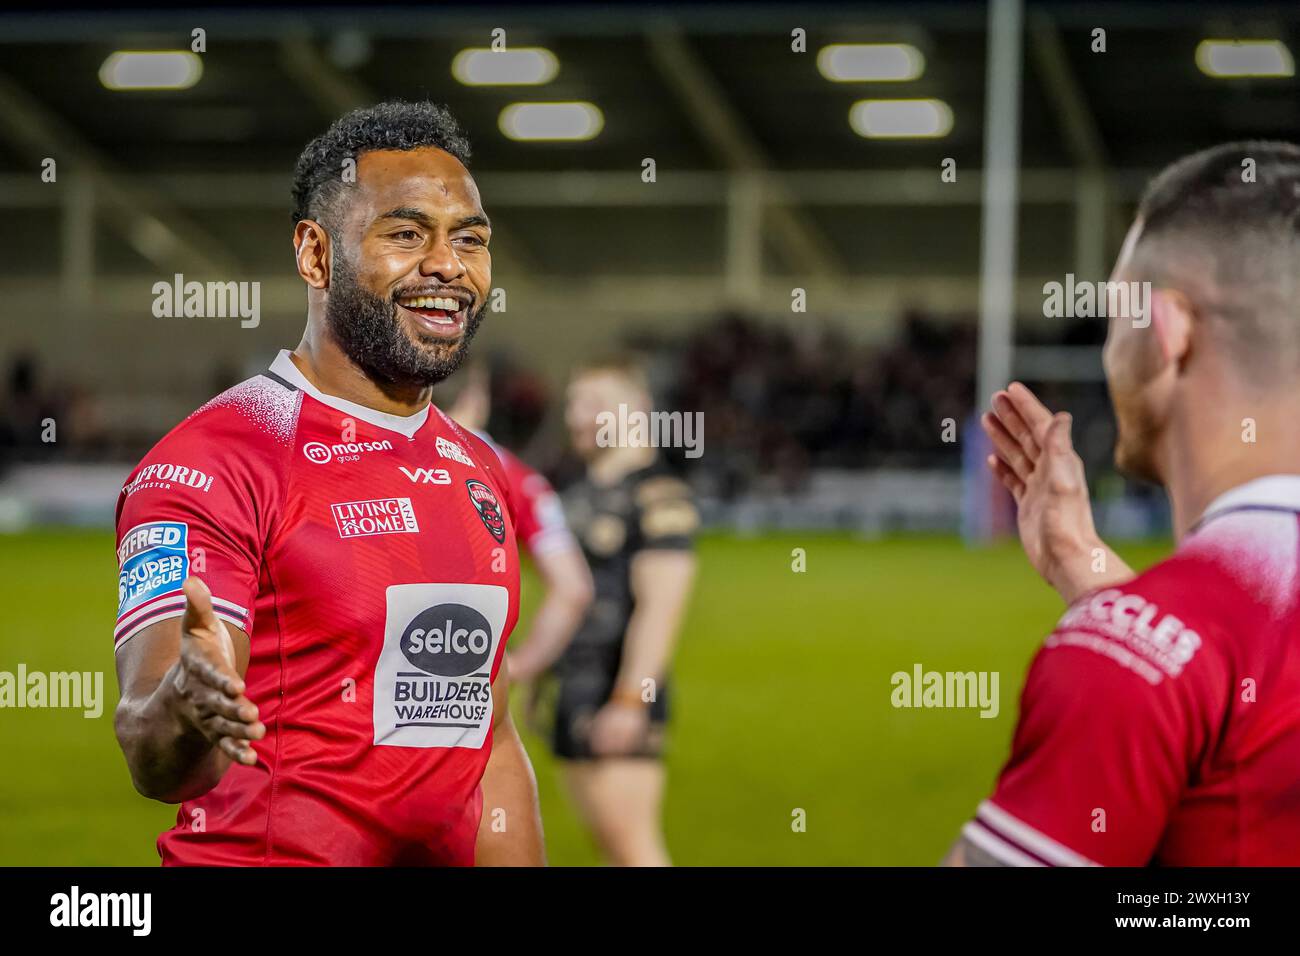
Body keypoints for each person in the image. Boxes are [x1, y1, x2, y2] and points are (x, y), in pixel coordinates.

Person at [112, 101, 543, 866]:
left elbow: (490, 734)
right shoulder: (215, 461)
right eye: (406, 234)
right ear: (315, 254)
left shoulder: (476, 469)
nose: (447, 265)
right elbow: (154, 749)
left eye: (469, 240)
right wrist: (187, 700)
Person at [947, 141, 1300, 866]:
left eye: (1115, 315)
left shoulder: (1129, 654)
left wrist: (1124, 625)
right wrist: (1088, 570)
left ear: (1168, 331)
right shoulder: (1187, 641)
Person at [547, 356, 698, 866]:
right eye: (572, 404)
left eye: (591, 403)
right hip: (575, 690)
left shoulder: (658, 495)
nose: (575, 417)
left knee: (635, 852)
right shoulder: (581, 494)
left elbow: (662, 607)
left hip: (618, 692)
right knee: (610, 846)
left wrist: (632, 699)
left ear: (634, 410)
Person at [444, 364, 594, 683]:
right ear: (475, 397)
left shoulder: (368, 461)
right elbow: (573, 588)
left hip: (373, 673)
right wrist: (519, 668)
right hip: (469, 673)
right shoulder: (517, 479)